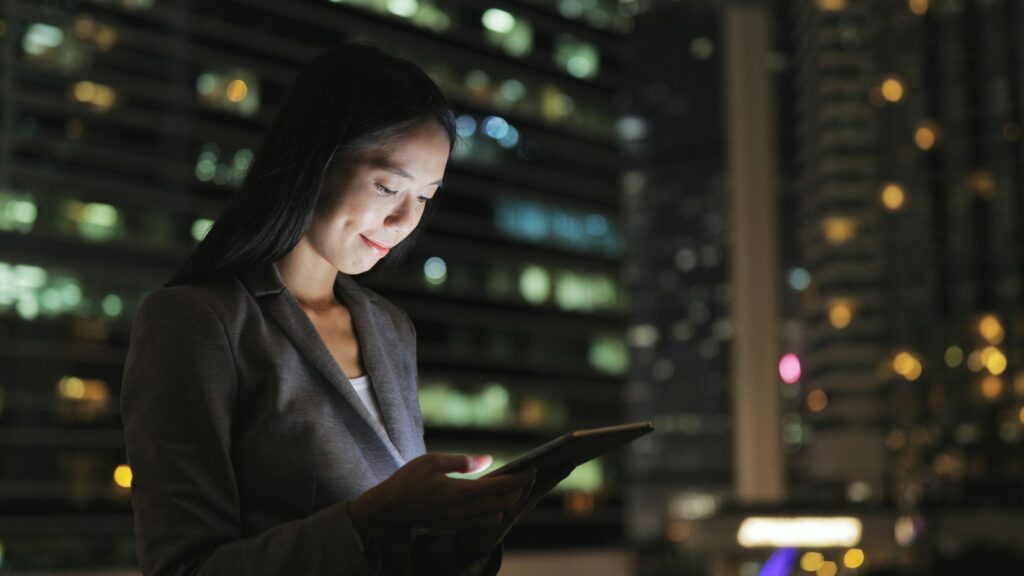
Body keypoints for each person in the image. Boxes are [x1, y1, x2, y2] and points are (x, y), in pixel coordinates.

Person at [120, 42, 569, 575]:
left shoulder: (388, 326)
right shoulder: (198, 321)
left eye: (425, 197)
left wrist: (467, 529)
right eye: (388, 187)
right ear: (319, 162)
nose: (405, 221)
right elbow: (182, 568)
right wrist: (372, 514)